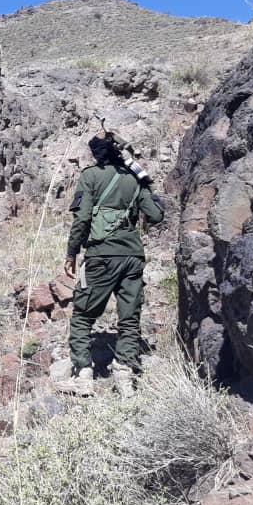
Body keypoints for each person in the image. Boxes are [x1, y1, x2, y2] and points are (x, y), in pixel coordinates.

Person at [56, 131, 165, 397]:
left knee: (83, 315)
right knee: (129, 318)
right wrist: (146, 185)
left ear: (96, 154)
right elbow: (155, 215)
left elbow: (82, 219)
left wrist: (71, 253)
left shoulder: (90, 176)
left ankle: (83, 376)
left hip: (101, 256)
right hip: (132, 257)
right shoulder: (134, 178)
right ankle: (124, 376)